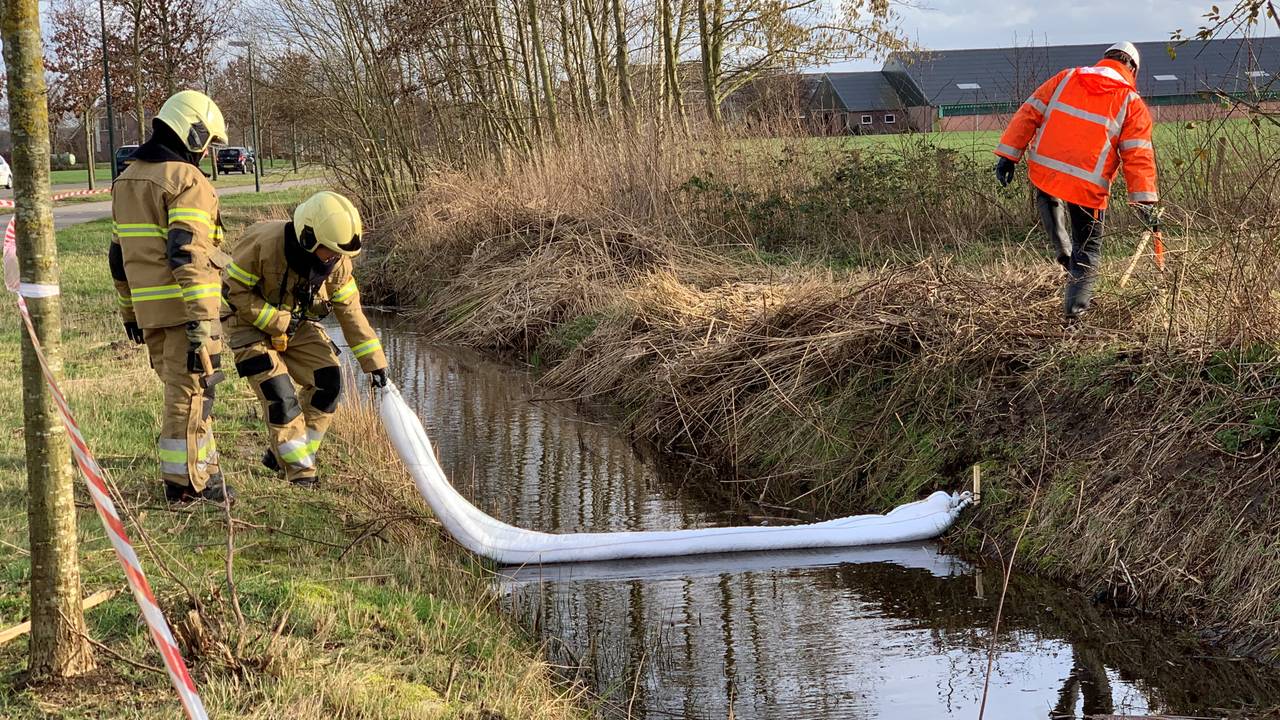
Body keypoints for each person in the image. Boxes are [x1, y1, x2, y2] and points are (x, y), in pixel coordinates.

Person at [108, 89, 234, 504]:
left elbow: (118, 255)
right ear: (193, 132)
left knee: (194, 393)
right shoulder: (188, 182)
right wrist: (203, 319)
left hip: (150, 313)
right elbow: (190, 254)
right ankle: (183, 486)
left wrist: (130, 313)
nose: (208, 153)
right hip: (185, 312)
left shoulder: (127, 180)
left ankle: (206, 473)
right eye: (209, 143)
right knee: (188, 396)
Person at [221, 190, 388, 486]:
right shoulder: (263, 244)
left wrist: (375, 364)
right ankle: (301, 475)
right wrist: (278, 322)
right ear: (307, 237)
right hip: (247, 323)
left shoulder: (337, 265)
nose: (335, 259)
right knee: (280, 396)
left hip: (294, 326)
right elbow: (234, 293)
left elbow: (352, 315)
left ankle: (286, 454)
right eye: (331, 251)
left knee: (329, 382)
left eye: (340, 254)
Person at [993, 41, 1160, 320]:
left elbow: (1028, 113)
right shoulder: (1131, 102)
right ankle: (1075, 317)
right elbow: (1137, 156)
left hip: (1048, 169)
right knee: (1089, 250)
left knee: (1048, 192)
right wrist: (1145, 202)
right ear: (1132, 68)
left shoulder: (1066, 78)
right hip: (1088, 184)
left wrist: (1009, 156)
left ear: (1104, 59)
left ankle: (1062, 250)